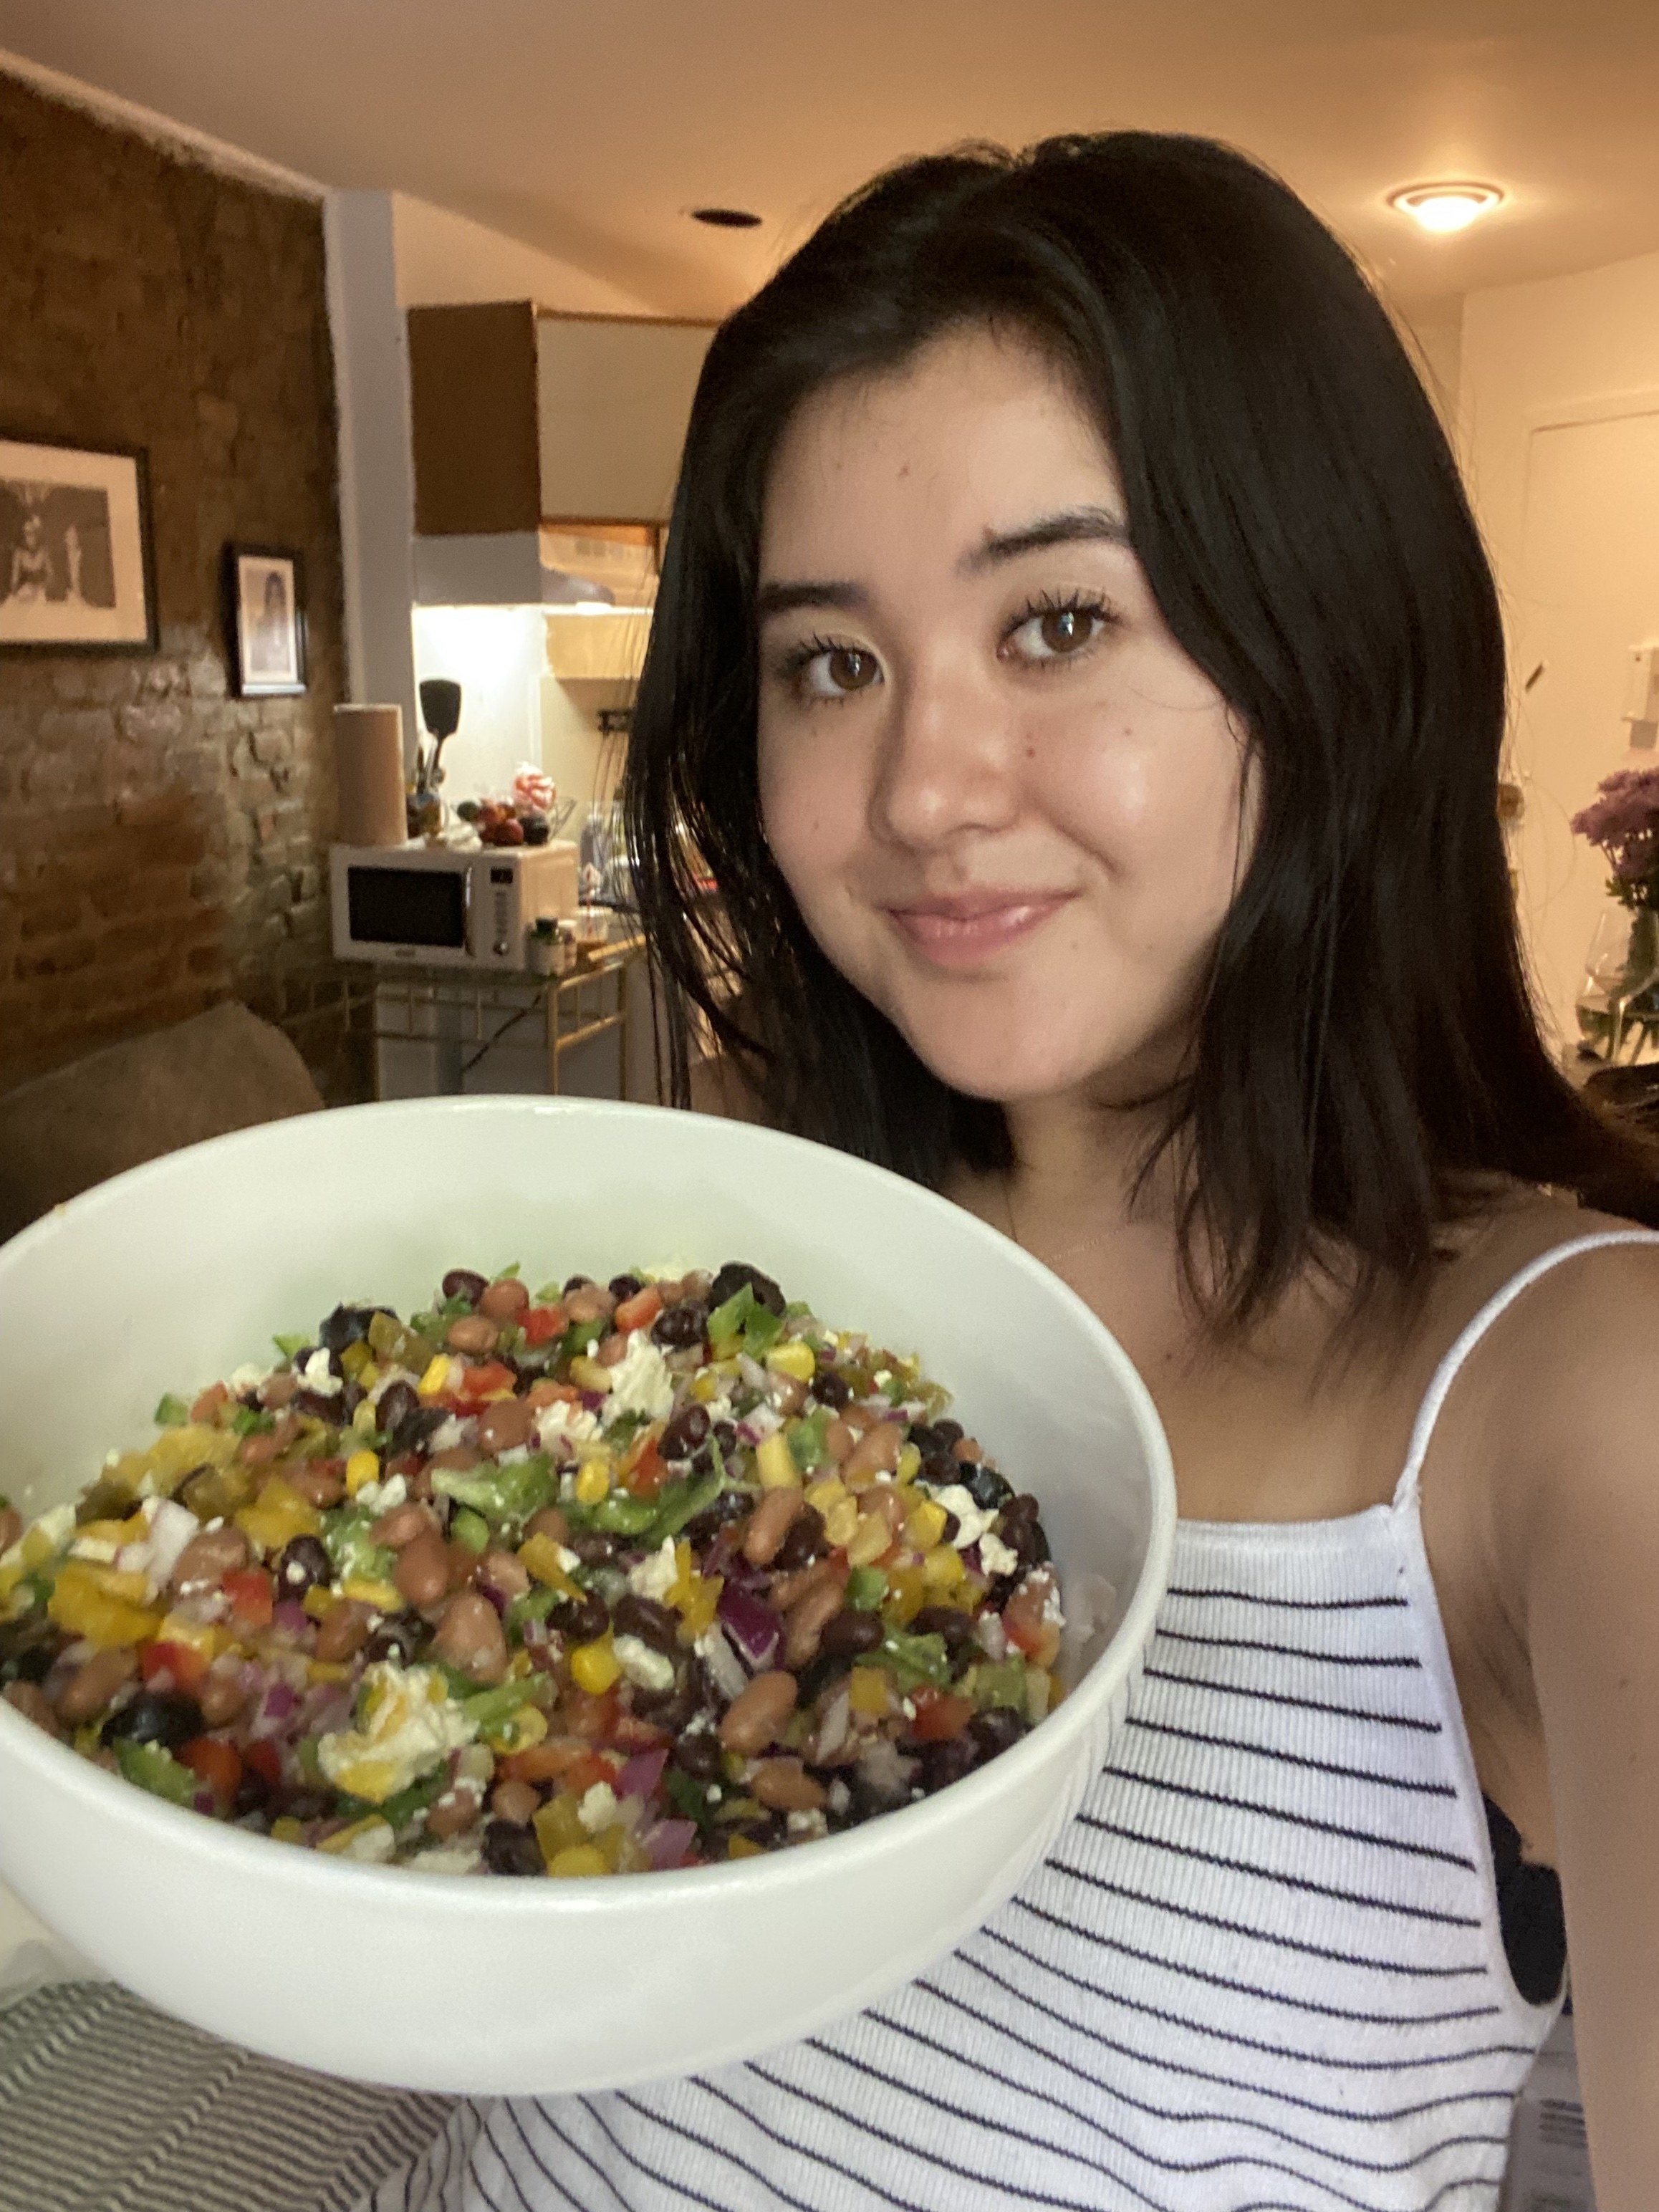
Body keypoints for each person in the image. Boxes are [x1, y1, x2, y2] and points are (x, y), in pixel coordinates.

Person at [363, 133, 1659, 2211]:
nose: (920, 791)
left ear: (1328, 658)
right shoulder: (741, 1262)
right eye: (829, 664)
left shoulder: (1568, 1406)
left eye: (1056, 622)